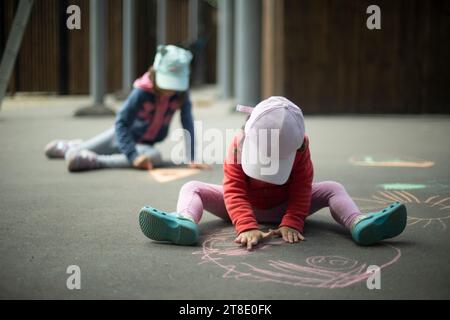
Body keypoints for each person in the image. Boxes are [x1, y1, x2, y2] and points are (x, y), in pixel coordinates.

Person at [138, 96, 407, 248]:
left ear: (297, 144)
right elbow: (233, 189)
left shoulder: (301, 147)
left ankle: (357, 223)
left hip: (285, 206)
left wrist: (292, 220)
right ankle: (185, 222)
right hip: (244, 207)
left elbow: (302, 187)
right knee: (192, 187)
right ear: (247, 136)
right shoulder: (238, 143)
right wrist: (246, 226)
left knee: (332, 188)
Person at [45, 45, 205, 172]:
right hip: (120, 136)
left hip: (144, 145)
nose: (171, 90)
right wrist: (133, 156)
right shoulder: (141, 92)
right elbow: (121, 123)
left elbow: (187, 122)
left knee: (154, 156)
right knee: (74, 154)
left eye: (175, 85)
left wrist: (191, 157)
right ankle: (70, 146)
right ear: (155, 74)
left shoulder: (181, 93)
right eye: (167, 83)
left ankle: (96, 161)